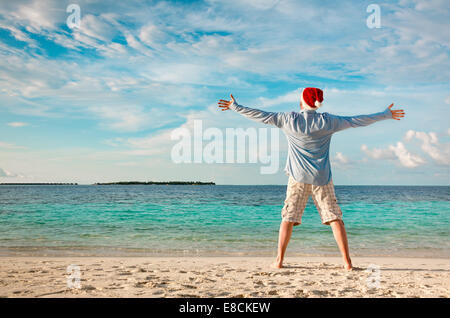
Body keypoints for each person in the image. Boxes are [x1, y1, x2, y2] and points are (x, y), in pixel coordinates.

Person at [218, 87, 405, 270]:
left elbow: (260, 115)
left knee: (288, 218)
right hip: (322, 178)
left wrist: (235, 107)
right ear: (317, 104)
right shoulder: (328, 121)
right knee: (335, 218)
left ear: (302, 102)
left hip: (297, 178)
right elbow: (357, 120)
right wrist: (385, 114)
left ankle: (279, 261)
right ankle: (347, 263)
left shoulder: (289, 119)